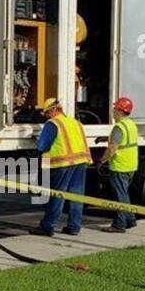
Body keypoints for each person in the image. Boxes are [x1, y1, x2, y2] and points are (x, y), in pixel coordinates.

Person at [29, 97, 91, 236]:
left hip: (62, 164)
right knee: (76, 195)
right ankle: (74, 227)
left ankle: (48, 226)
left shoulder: (53, 124)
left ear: (53, 110)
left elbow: (42, 146)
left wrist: (37, 141)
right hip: (80, 162)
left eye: (46, 113)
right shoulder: (75, 122)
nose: (46, 116)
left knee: (57, 195)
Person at [99, 95, 139, 233]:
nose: (113, 111)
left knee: (120, 196)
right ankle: (131, 220)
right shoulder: (131, 124)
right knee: (124, 194)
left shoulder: (119, 127)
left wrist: (102, 160)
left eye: (115, 109)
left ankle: (119, 225)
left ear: (120, 111)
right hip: (130, 165)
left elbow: (112, 148)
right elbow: (125, 141)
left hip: (119, 166)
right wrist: (105, 138)